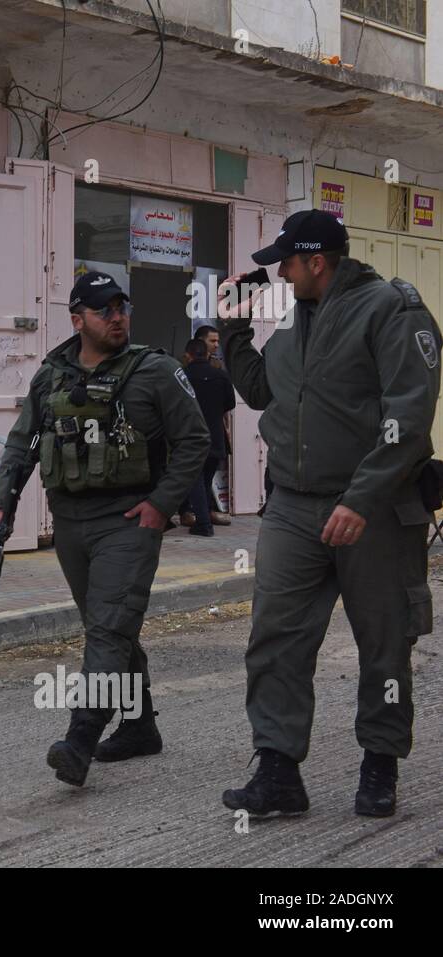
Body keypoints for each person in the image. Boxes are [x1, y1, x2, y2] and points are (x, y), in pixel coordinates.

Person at [218, 209, 440, 818]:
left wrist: (361, 499)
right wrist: (233, 328)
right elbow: (262, 391)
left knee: (385, 641)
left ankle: (380, 765)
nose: (281, 274)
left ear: (317, 261)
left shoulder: (392, 310)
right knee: (275, 638)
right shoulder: (299, 321)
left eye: (287, 263)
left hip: (377, 507)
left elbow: (409, 414)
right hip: (293, 503)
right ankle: (280, 772)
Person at [0, 271, 210, 787]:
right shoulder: (51, 376)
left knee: (109, 626)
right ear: (77, 318)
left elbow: (196, 440)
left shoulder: (154, 370)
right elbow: (21, 445)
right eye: (103, 309)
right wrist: (5, 504)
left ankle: (80, 738)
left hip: (128, 521)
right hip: (70, 523)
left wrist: (161, 505)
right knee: (109, 626)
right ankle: (139, 727)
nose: (117, 317)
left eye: (121, 307)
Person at [180, 337, 236, 536]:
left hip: (192, 437)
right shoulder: (220, 376)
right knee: (204, 480)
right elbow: (230, 403)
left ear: (188, 355)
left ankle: (203, 524)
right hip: (215, 437)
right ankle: (202, 519)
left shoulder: (183, 376)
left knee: (194, 480)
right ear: (206, 353)